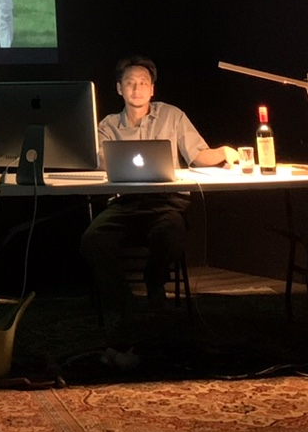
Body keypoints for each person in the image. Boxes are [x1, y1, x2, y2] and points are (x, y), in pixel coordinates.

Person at [80, 56, 239, 333]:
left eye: (143, 83)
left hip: (166, 202)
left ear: (152, 89)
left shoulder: (172, 115)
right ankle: (126, 305)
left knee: (171, 232)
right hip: (124, 203)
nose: (136, 88)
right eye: (130, 83)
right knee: (92, 240)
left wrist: (224, 151)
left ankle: (155, 285)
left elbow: (198, 155)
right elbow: (97, 161)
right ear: (119, 88)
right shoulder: (107, 125)